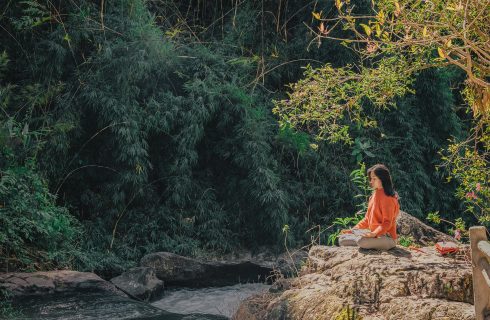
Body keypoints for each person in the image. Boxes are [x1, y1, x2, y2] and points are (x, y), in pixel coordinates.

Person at [338, 164, 400, 250]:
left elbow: (387, 223)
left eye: (374, 179)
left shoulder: (388, 198)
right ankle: (366, 241)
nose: (371, 181)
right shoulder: (373, 196)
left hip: (387, 238)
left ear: (383, 179)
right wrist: (353, 230)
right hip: (373, 235)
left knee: (362, 241)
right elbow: (367, 219)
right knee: (342, 239)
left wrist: (374, 233)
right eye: (371, 178)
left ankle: (368, 242)